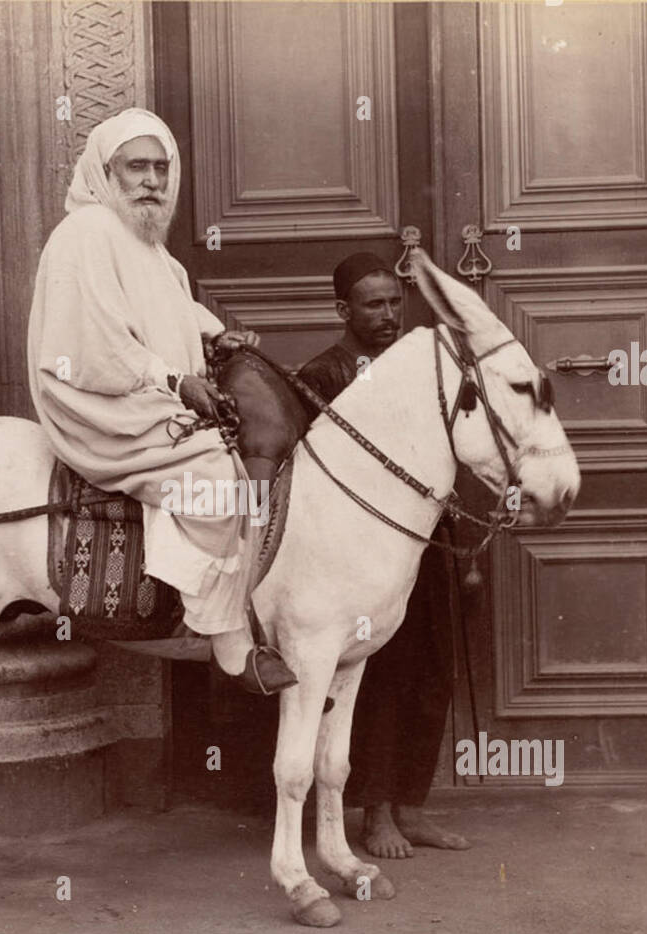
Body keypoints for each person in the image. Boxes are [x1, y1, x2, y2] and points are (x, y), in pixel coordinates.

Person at [27, 108, 296, 696]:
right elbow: (93, 345)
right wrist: (177, 383)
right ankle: (226, 641)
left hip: (149, 391)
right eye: (135, 167)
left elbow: (170, 313)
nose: (151, 179)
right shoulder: (86, 233)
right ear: (106, 171)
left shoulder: (148, 244)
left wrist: (213, 335)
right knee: (213, 479)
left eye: (159, 167)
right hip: (98, 402)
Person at [295, 253, 470, 858]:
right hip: (357, 561)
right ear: (344, 310)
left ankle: (413, 806)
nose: (389, 315)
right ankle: (374, 815)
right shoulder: (321, 375)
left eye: (396, 302)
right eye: (374, 304)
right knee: (377, 680)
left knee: (431, 669)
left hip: (426, 543)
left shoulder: (421, 370)